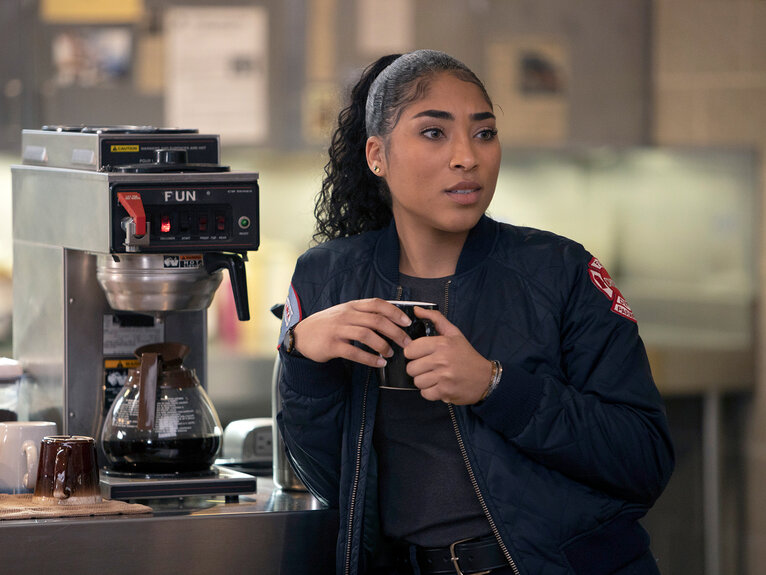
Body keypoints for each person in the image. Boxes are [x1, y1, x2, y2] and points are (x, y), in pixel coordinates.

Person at [276, 49, 674, 575]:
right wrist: (303, 359)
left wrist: (495, 386)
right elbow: (334, 484)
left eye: (483, 133)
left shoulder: (561, 270)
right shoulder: (325, 278)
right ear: (377, 155)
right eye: (434, 133)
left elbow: (644, 459)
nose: (467, 156)